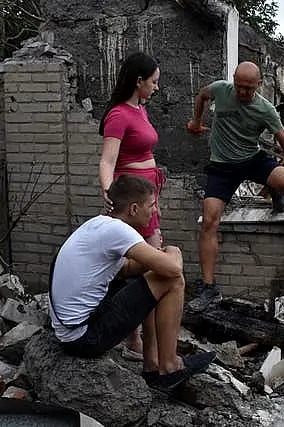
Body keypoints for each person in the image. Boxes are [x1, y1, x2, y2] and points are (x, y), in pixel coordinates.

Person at [49, 175, 215, 392]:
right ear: (134, 209)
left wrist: (154, 258)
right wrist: (174, 251)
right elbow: (173, 270)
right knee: (172, 281)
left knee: (145, 278)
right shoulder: (118, 231)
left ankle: (152, 365)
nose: (155, 211)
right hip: (84, 338)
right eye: (152, 205)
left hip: (72, 333)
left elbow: (127, 269)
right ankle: (169, 367)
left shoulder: (98, 224)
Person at [186, 61, 284, 312]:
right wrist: (196, 121)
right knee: (209, 222)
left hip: (252, 160)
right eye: (239, 87)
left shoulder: (265, 109)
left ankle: (275, 189)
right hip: (222, 167)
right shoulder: (221, 90)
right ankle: (208, 288)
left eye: (248, 88)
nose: (243, 92)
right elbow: (203, 95)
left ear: (258, 85)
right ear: (233, 81)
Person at [98, 52, 165, 358]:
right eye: (153, 82)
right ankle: (136, 340)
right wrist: (109, 192)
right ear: (138, 81)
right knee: (144, 266)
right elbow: (108, 160)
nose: (156, 88)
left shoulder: (141, 110)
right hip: (132, 203)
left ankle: (142, 339)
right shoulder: (118, 115)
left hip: (148, 198)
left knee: (150, 263)